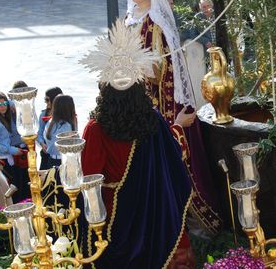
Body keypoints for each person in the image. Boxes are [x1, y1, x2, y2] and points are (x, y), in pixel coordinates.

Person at [81, 19, 196, 268]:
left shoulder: (95, 129)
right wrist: (176, 125)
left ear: (104, 86)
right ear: (138, 84)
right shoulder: (152, 119)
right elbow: (173, 155)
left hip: (112, 225)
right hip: (153, 217)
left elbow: (89, 179)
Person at [124, 0, 222, 232]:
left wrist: (138, 67)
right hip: (136, 102)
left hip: (162, 101)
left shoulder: (157, 23)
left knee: (173, 160)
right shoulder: (130, 20)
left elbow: (165, 70)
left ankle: (190, 226)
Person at [0, 92, 30, 201]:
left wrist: (10, 103)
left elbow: (7, 102)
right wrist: (13, 150)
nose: (3, 106)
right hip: (2, 161)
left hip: (7, 158)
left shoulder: (0, 117)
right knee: (12, 190)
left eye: (5, 103)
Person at [41, 94, 76, 170]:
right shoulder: (66, 125)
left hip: (51, 160)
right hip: (64, 162)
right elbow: (73, 145)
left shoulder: (50, 123)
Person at [37, 87, 63, 170]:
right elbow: (39, 133)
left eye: (48, 100)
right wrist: (41, 143)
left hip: (61, 154)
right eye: (45, 100)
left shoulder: (66, 115)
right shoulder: (43, 114)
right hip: (46, 151)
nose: (46, 102)